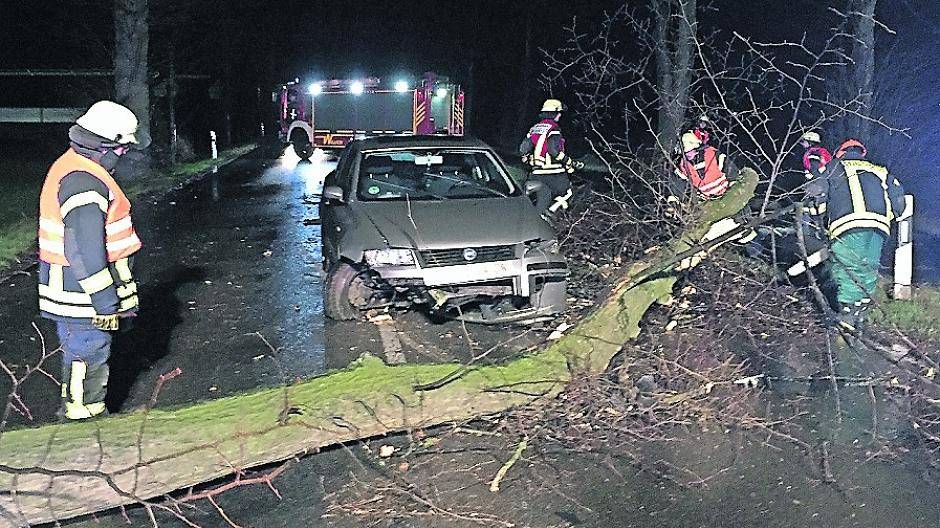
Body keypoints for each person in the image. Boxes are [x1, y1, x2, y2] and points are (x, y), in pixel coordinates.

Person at [37, 100, 147, 420]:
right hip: (81, 294)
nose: (124, 154)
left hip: (76, 290)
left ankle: (80, 411)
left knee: (85, 351)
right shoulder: (84, 181)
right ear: (106, 145)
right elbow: (83, 250)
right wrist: (104, 301)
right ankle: (84, 423)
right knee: (87, 352)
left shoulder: (78, 167)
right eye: (123, 147)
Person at [805, 138, 906, 330]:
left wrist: (818, 223)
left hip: (847, 223)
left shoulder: (834, 167)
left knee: (845, 267)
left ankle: (846, 316)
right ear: (862, 153)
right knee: (868, 267)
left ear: (840, 153)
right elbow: (899, 203)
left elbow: (818, 193)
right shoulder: (881, 171)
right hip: (879, 227)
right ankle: (861, 309)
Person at [519, 98, 580, 220]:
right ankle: (550, 212)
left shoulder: (534, 128)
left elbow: (523, 149)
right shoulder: (554, 129)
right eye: (559, 113)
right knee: (569, 192)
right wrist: (570, 162)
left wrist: (528, 160)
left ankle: (540, 217)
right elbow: (553, 151)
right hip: (554, 174)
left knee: (542, 199)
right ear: (556, 114)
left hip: (535, 174)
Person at [673, 132, 738, 199]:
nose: (683, 146)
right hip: (708, 200)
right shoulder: (683, 164)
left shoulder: (711, 153)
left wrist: (733, 184)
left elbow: (730, 168)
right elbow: (685, 183)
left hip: (728, 192)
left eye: (686, 142)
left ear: (695, 143)